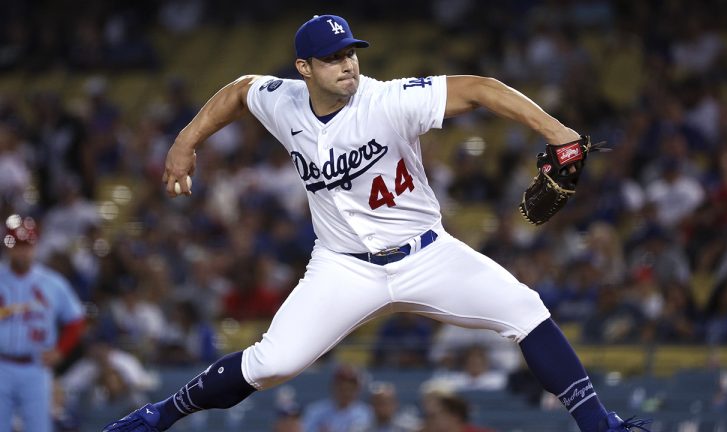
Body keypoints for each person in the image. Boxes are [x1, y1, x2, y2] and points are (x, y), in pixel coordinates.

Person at [103, 14, 649, 432]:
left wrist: (559, 135)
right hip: (342, 269)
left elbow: (481, 88)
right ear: (304, 69)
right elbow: (241, 89)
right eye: (333, 57)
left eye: (351, 53)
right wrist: (184, 142)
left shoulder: (389, 100)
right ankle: (159, 416)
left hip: (427, 255)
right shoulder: (284, 102)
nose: (348, 64)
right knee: (271, 364)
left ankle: (603, 426)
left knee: (526, 310)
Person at [0, 214, 86, 432]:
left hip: (35, 366)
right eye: (16, 245)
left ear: (35, 246)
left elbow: (76, 321)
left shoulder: (52, 283)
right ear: (8, 247)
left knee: (39, 428)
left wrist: (60, 350)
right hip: (1, 364)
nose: (21, 250)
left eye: (26, 245)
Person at [302, 364, 373, 432]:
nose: (346, 393)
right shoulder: (316, 411)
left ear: (357, 389)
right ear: (333, 387)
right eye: (342, 389)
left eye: (350, 389)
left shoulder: (366, 412)